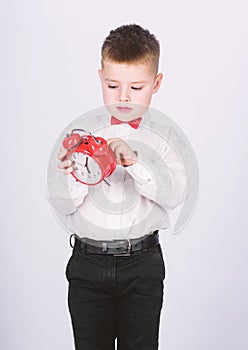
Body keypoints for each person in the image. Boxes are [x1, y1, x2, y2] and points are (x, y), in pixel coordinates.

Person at [53, 24, 187, 350]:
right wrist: (79, 170)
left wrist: (133, 163)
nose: (124, 97)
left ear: (156, 84)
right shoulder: (80, 135)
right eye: (113, 85)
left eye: (136, 87)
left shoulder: (165, 138)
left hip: (141, 265)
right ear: (101, 78)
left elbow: (173, 195)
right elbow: (64, 204)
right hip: (87, 265)